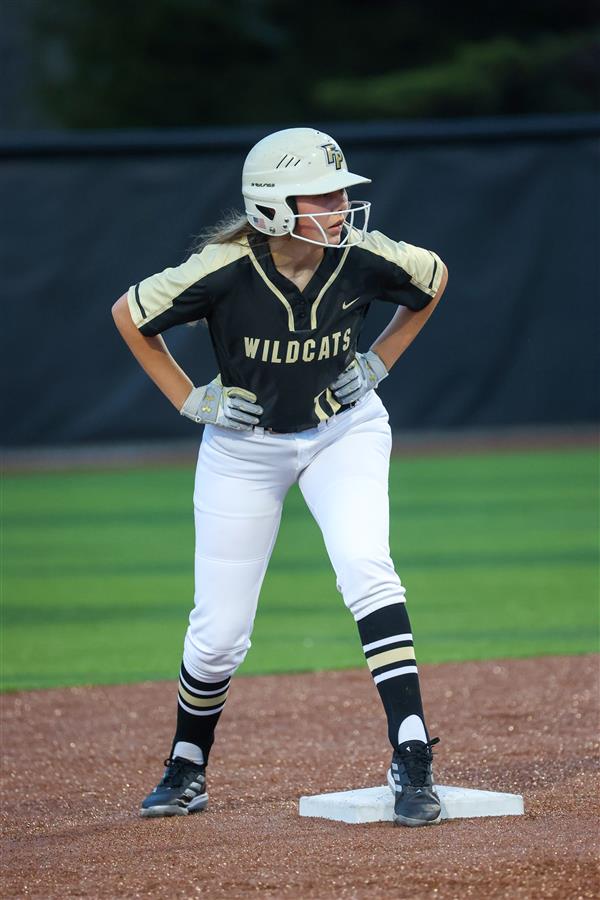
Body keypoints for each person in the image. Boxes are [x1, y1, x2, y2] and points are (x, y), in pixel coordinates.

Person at [112, 127, 448, 827]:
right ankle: (187, 763)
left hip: (343, 430)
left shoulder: (361, 254)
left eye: (340, 193)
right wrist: (189, 399)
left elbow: (434, 279)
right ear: (272, 206)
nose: (339, 206)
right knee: (219, 634)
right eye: (321, 197)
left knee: (367, 569)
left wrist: (381, 361)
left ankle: (412, 752)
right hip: (244, 449)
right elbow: (130, 314)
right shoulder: (224, 268)